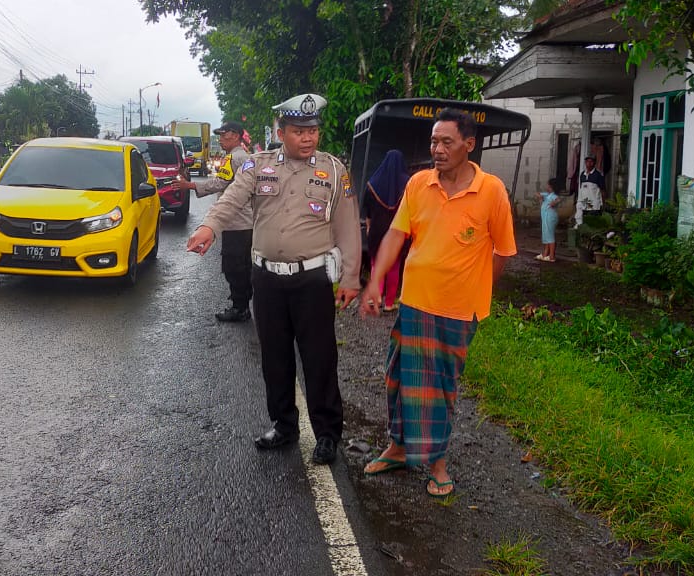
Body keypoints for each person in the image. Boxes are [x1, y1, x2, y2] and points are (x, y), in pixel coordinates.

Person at [186, 93, 362, 465]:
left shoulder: (333, 171)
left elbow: (347, 227)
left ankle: (328, 433)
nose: (308, 138)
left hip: (312, 279)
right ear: (282, 132)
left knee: (319, 358)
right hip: (266, 279)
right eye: (299, 131)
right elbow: (231, 198)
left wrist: (350, 278)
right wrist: (208, 227)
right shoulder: (257, 165)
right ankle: (284, 425)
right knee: (275, 357)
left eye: (312, 131)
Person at [359, 108, 516, 497]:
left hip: (458, 311)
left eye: (447, 142)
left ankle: (438, 464)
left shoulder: (491, 190)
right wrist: (376, 282)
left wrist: (480, 289)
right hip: (414, 303)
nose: (438, 149)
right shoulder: (418, 184)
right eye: (434, 141)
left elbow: (504, 251)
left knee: (440, 388)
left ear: (469, 145)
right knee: (399, 378)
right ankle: (398, 447)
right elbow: (397, 235)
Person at [179, 121, 254, 321]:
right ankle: (243, 299)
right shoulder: (245, 157)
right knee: (243, 264)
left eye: (223, 135)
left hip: (236, 221)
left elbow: (219, 182)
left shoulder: (233, 158)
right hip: (245, 222)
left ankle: (240, 307)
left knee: (233, 265)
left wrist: (191, 185)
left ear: (236, 136)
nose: (220, 140)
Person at [363, 150, 411, 311]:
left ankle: (374, 298)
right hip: (399, 231)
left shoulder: (373, 183)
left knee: (376, 263)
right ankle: (389, 304)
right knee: (395, 267)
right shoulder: (408, 184)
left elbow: (367, 211)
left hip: (376, 231)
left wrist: (369, 227)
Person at [537, 178, 561, 262]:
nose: (546, 186)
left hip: (550, 217)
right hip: (545, 217)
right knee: (546, 235)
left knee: (550, 236)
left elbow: (558, 200)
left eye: (548, 185)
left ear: (551, 186)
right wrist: (541, 198)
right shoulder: (547, 195)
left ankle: (551, 256)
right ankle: (545, 253)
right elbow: (538, 194)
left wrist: (553, 203)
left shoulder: (554, 195)